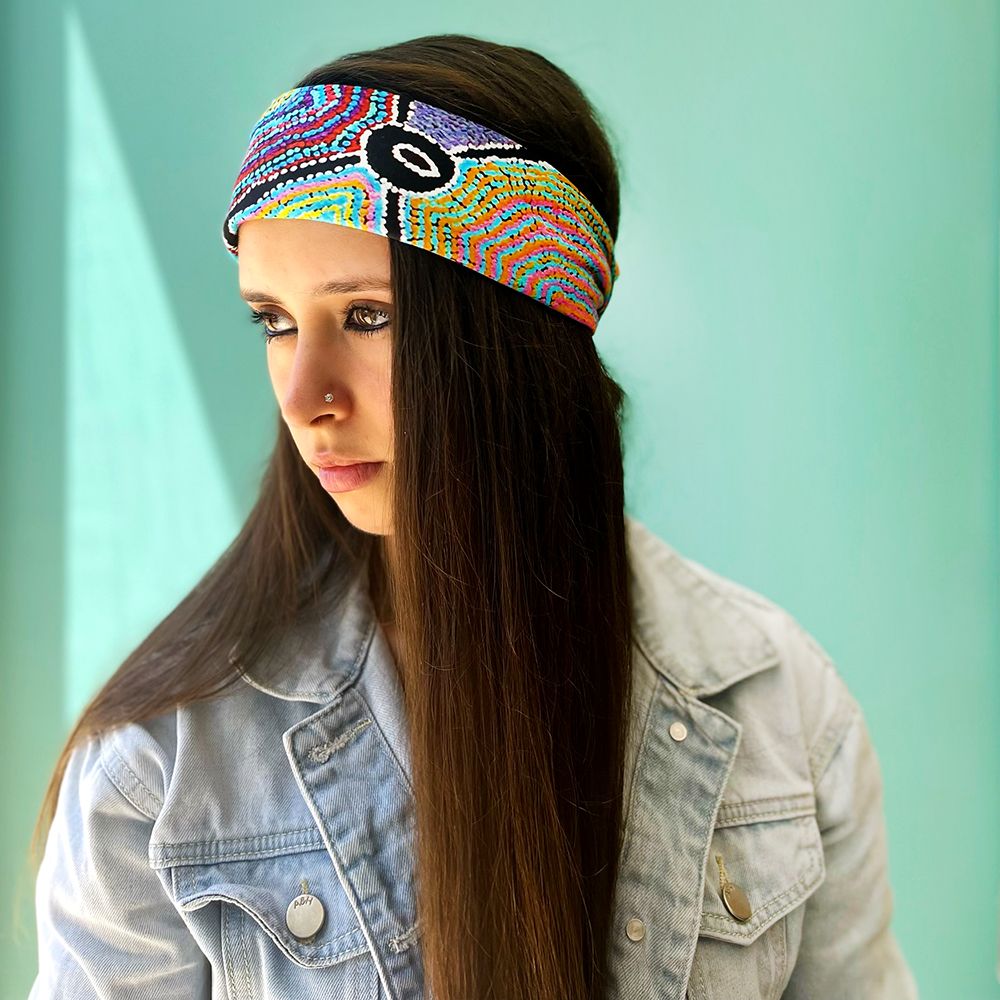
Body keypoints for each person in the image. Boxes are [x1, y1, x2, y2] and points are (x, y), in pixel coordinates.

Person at [26, 32, 919, 1000]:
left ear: (523, 333)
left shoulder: (780, 707)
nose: (304, 396)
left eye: (367, 315)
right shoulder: (162, 760)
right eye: (274, 321)